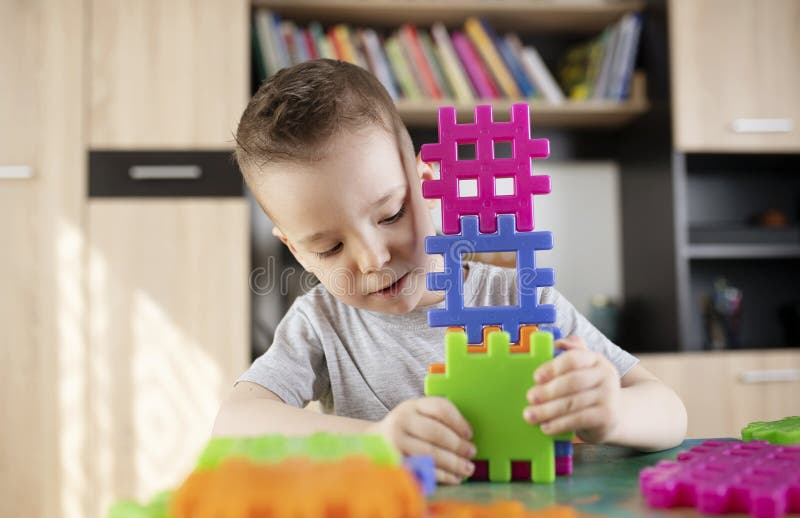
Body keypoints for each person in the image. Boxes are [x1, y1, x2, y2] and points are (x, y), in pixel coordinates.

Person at [214, 59, 687, 484]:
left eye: (392, 214)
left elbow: (670, 411)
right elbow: (233, 425)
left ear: (427, 184)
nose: (373, 258)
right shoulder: (320, 323)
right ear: (295, 249)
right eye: (330, 246)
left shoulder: (519, 297)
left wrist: (613, 413)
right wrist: (376, 442)